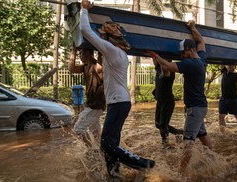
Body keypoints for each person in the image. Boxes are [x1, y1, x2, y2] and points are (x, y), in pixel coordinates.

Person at [79, 0, 155, 178]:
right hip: (120, 102)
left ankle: (144, 164)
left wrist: (84, 10)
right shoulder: (118, 53)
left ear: (110, 39)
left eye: (104, 35)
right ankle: (114, 174)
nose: (101, 38)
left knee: (106, 143)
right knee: (111, 142)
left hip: (119, 102)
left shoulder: (112, 51)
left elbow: (85, 31)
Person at [147, 20, 212, 170]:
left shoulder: (191, 64)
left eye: (183, 52)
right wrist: (193, 28)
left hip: (195, 108)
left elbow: (168, 66)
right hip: (199, 107)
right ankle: (214, 159)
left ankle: (182, 173)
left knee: (188, 141)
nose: (182, 55)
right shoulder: (202, 60)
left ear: (190, 50)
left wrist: (155, 55)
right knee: (202, 134)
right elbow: (201, 41)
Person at [69, 47, 105, 147]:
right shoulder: (85, 66)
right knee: (95, 132)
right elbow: (72, 68)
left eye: (81, 54)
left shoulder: (96, 65)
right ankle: (100, 149)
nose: (79, 56)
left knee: (78, 129)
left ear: (89, 54)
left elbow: (100, 68)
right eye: (79, 54)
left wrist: (99, 48)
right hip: (93, 105)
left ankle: (91, 150)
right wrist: (74, 50)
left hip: (95, 105)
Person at [153, 58, 183, 145]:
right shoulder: (159, 69)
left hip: (167, 102)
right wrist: (153, 54)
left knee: (162, 125)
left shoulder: (168, 71)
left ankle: (165, 145)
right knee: (158, 124)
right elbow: (156, 62)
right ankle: (178, 132)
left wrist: (156, 56)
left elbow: (165, 67)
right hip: (160, 101)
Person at [218, 64, 237, 133]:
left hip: (233, 99)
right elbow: (222, 63)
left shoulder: (236, 75)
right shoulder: (224, 72)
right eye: (229, 65)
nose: (230, 66)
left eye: (232, 65)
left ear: (235, 67)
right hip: (223, 99)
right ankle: (223, 133)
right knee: (221, 116)